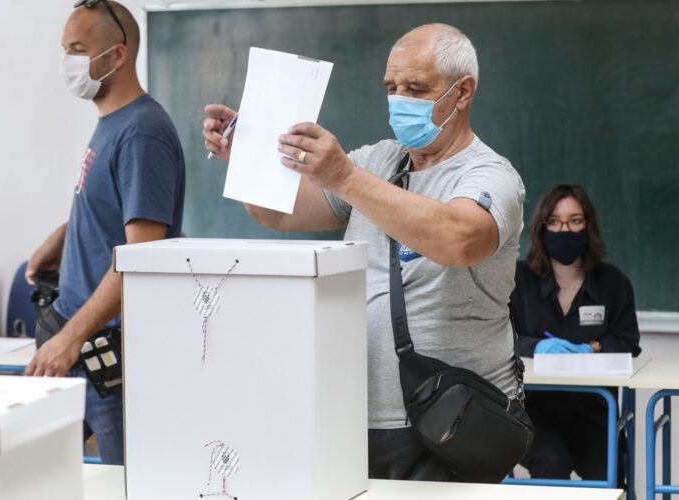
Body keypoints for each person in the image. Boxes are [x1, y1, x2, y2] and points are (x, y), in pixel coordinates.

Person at [203, 24, 525, 482]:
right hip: (358, 413)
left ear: (463, 91)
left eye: (416, 88)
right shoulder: (379, 161)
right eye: (391, 87)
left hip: (451, 420)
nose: (400, 100)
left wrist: (345, 177)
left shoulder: (490, 174)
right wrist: (247, 158)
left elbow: (459, 239)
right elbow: (280, 214)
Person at [24, 0, 185, 465]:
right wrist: (63, 235)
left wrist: (70, 339)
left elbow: (141, 256)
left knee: (124, 483)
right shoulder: (114, 124)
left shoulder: (141, 133)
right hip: (73, 342)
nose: (67, 61)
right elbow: (113, 207)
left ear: (117, 55)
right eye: (64, 49)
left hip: (103, 355)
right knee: (36, 473)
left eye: (78, 49)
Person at [509, 183, 641, 483]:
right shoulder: (517, 280)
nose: (564, 230)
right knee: (551, 462)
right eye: (554, 221)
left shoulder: (613, 282)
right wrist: (535, 347)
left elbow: (628, 342)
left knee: (609, 471)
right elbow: (497, 338)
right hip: (533, 410)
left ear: (588, 226)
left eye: (575, 220)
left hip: (592, 409)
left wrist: (592, 347)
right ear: (541, 227)